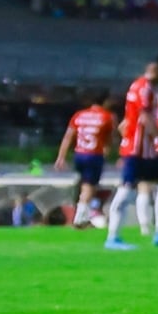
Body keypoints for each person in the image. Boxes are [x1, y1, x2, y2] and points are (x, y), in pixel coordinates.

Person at [113, 58, 158, 250]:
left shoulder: (138, 87)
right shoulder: (145, 89)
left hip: (143, 150)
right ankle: (113, 237)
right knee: (127, 189)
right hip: (138, 150)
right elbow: (144, 118)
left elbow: (126, 123)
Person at [51, 96, 111, 230]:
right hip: (94, 154)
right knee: (89, 187)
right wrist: (108, 154)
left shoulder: (79, 115)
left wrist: (61, 157)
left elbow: (68, 137)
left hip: (79, 154)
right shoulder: (106, 116)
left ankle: (82, 215)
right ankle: (80, 219)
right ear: (105, 101)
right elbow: (109, 140)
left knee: (84, 185)